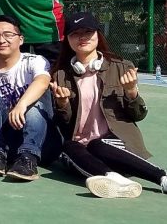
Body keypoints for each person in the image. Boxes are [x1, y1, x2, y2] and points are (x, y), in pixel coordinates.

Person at [50, 12, 167, 198]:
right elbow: (64, 123)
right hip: (85, 155)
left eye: (88, 31)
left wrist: (131, 92)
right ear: (68, 40)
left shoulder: (120, 66)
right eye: (75, 33)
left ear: (98, 34)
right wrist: (62, 104)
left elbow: (138, 115)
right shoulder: (60, 75)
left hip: (116, 146)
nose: (82, 38)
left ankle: (162, 178)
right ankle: (115, 180)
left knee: (97, 145)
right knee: (69, 146)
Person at [0, 15, 58, 181]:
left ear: (21, 39)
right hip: (7, 141)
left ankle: (28, 158)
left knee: (34, 107)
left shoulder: (35, 61)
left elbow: (43, 82)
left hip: (42, 142)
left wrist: (21, 105)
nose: (1, 40)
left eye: (8, 35)